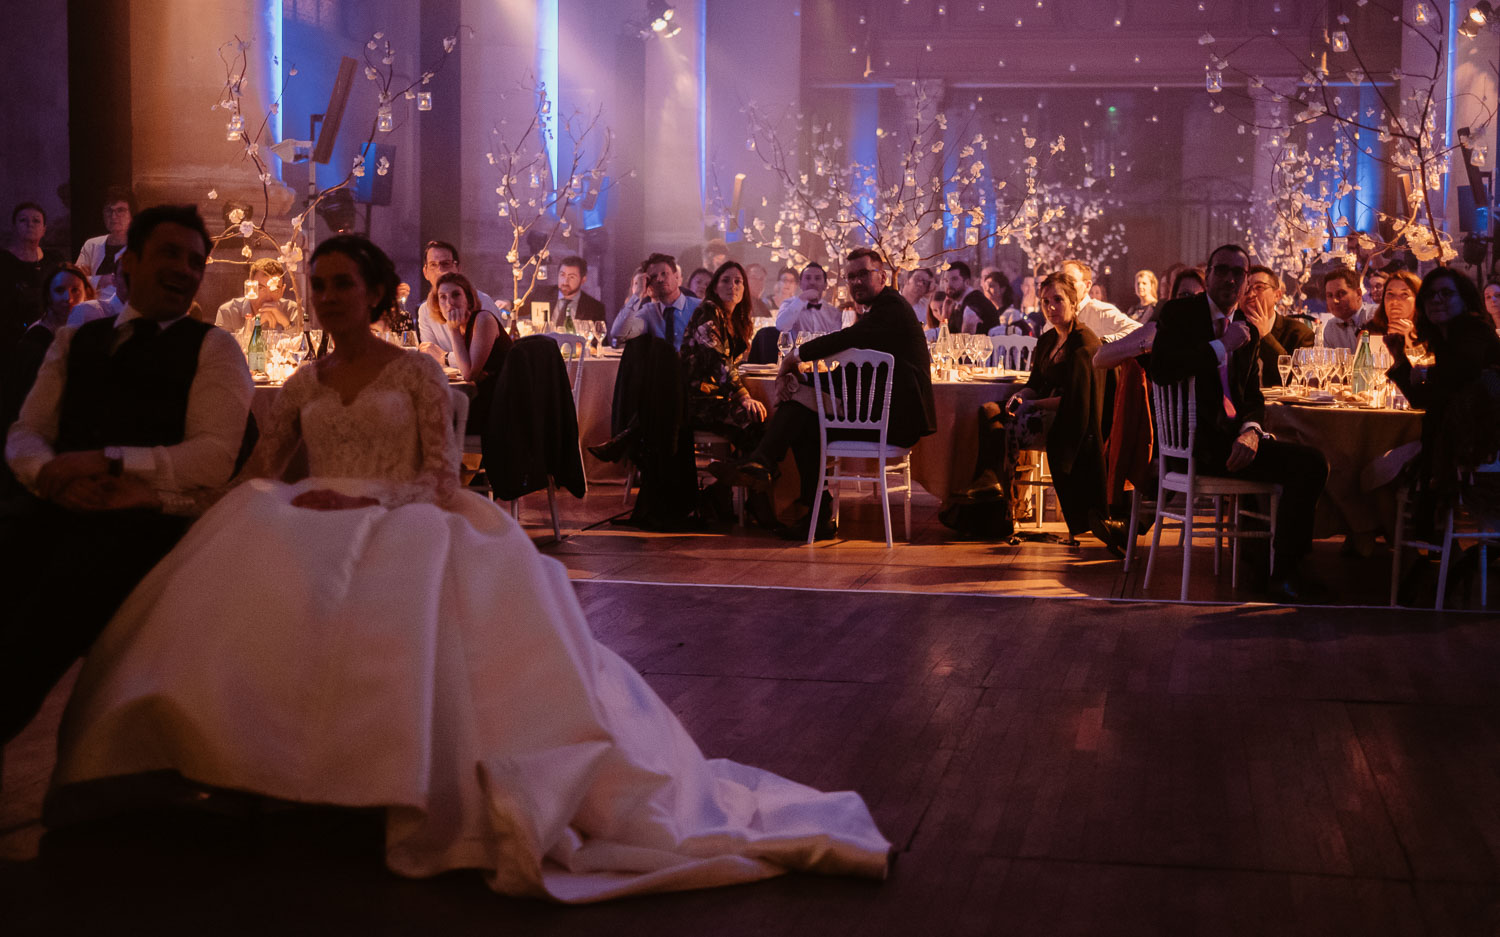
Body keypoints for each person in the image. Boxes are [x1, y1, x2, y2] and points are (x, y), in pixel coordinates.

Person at [44, 233, 890, 901]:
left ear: (375, 295)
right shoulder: (302, 381)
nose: (329, 295)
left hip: (401, 509)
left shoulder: (414, 372)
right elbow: (261, 468)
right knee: (253, 566)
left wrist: (366, 503)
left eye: (344, 283)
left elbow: (439, 475)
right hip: (312, 510)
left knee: (403, 603)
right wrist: (247, 501)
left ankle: (391, 780)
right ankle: (247, 771)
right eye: (320, 282)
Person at [1, 204, 254, 747]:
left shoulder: (215, 348)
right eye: (169, 253)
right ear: (127, 266)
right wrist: (54, 475)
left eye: (194, 261)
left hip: (142, 526)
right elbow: (26, 432)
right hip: (50, 507)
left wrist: (106, 461)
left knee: (36, 629)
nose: (185, 269)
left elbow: (212, 458)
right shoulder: (75, 342)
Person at [712, 248, 936, 540]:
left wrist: (797, 358)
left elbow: (850, 339)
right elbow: (857, 369)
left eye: (862, 274)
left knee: (802, 412)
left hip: (896, 422)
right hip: (880, 412)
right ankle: (813, 511)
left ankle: (765, 464)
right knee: (806, 418)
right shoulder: (881, 309)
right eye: (850, 276)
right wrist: (804, 377)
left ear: (882, 276)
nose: (856, 282)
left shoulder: (891, 307)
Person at [1148, 243, 1329, 602]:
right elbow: (1162, 370)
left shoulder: (1247, 326)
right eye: (1222, 270)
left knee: (1312, 462)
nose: (1230, 278)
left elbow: (1251, 398)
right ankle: (1277, 571)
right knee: (1306, 465)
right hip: (1195, 441)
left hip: (1234, 440)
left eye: (1239, 273)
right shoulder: (1180, 313)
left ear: (1247, 281)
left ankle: (1283, 571)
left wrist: (1251, 431)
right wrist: (1221, 346)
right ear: (1208, 274)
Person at [969, 272, 1114, 550]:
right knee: (989, 411)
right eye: (1046, 301)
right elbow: (1035, 383)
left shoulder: (1084, 342)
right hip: (1040, 409)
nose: (1051, 307)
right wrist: (1021, 396)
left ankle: (1007, 507)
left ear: (1073, 302)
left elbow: (1078, 399)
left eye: (1058, 300)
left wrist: (1031, 404)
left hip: (1069, 418)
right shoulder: (1048, 339)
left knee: (1009, 427)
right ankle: (992, 494)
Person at [1383, 268, 1500, 523]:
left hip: (1482, 442)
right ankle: (1432, 537)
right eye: (1431, 295)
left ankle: (1428, 534)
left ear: (1463, 299)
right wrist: (1401, 360)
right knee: (1388, 465)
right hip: (1453, 437)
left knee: (1389, 466)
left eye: (1446, 293)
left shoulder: (1474, 331)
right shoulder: (1441, 340)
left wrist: (1426, 372)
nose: (1436, 300)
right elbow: (1425, 400)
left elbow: (1461, 374)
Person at [2, 263, 95, 435]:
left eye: (75, 290)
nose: (68, 297)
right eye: (59, 290)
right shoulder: (35, 339)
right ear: (48, 296)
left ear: (87, 293)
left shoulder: (90, 329)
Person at [433, 271, 511, 431]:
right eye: (442, 297)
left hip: (502, 406)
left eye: (456, 295)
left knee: (434, 422)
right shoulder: (464, 327)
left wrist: (453, 330)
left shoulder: (483, 319)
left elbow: (468, 374)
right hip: (486, 397)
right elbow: (471, 371)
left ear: (468, 300)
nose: (449, 303)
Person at [416, 240, 503, 353]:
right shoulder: (424, 310)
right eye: (433, 265)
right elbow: (430, 354)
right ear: (425, 272)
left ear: (457, 268)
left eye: (445, 263)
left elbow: (484, 357)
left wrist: (445, 357)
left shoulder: (482, 301)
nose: (440, 270)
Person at [1, 202, 63, 350]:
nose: (30, 224)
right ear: (14, 227)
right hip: (10, 338)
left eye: (36, 221)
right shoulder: (3, 260)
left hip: (49, 336)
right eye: (23, 220)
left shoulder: (55, 259)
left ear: (44, 229)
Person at [609, 252, 701, 350]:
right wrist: (638, 293)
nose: (659, 279)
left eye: (664, 274)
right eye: (653, 277)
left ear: (676, 277)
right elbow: (618, 333)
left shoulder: (698, 307)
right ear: (649, 283)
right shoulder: (649, 313)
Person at [1244, 265, 1315, 386]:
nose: (1250, 294)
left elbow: (1296, 380)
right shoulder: (1230, 327)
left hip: (1280, 404)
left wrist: (1265, 336)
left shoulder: (1300, 333)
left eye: (1259, 287)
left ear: (1277, 295)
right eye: (1246, 288)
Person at [215, 257, 303, 345]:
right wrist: (253, 325)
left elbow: (302, 349)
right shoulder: (228, 312)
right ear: (250, 287)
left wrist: (287, 324)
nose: (268, 296)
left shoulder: (294, 310)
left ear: (282, 290)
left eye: (274, 289)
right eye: (261, 288)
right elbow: (223, 351)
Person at [75, 187, 134, 303]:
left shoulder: (140, 246)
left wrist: (90, 279)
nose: (113, 216)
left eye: (120, 210)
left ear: (131, 214)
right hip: (92, 307)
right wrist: (100, 280)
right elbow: (76, 279)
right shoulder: (91, 245)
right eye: (109, 210)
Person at [1059, 258, 1140, 343]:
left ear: (1087, 286)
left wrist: (1102, 342)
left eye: (1071, 281)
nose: (1064, 286)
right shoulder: (1056, 313)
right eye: (1061, 281)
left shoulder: (1100, 311)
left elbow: (1139, 331)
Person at [1365, 269, 1428, 361]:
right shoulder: (1371, 329)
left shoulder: (1428, 331)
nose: (1394, 301)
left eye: (1404, 294)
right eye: (1390, 294)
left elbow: (1425, 371)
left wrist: (1410, 340)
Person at [531, 255, 606, 330]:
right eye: (562, 275)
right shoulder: (541, 294)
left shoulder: (594, 308)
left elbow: (600, 340)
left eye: (572, 277)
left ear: (583, 280)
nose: (565, 282)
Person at [775, 261, 841, 334]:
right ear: (800, 284)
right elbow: (781, 326)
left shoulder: (833, 312)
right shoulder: (788, 304)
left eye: (817, 278)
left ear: (825, 285)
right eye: (808, 278)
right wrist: (802, 299)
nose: (812, 282)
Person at [1320, 268, 1366, 351]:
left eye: (1341, 294)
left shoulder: (1375, 318)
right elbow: (1329, 363)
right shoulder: (1331, 327)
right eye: (1330, 295)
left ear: (1358, 294)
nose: (1335, 300)